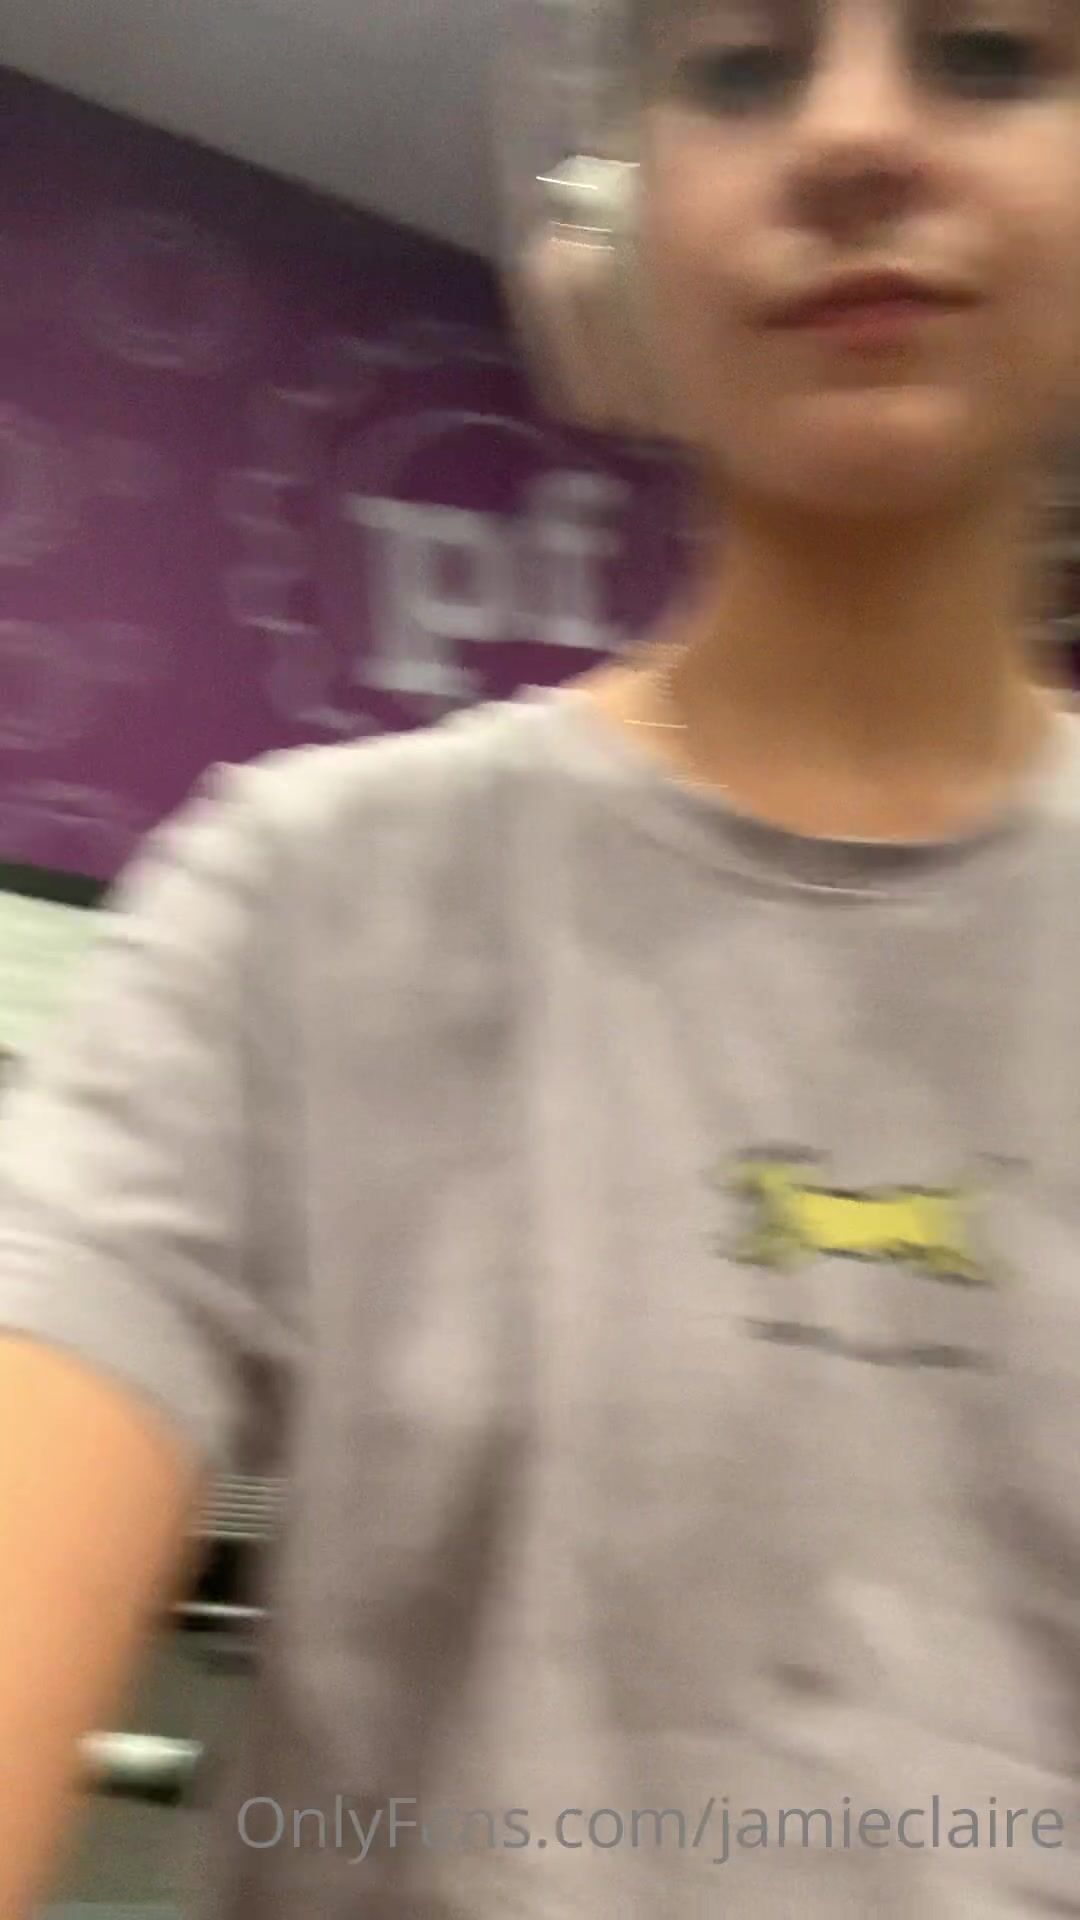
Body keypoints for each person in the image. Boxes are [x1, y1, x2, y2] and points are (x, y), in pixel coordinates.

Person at [1, 0, 1079, 1912]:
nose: (857, 136)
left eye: (988, 54)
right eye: (742, 65)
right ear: (617, 210)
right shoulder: (293, 912)